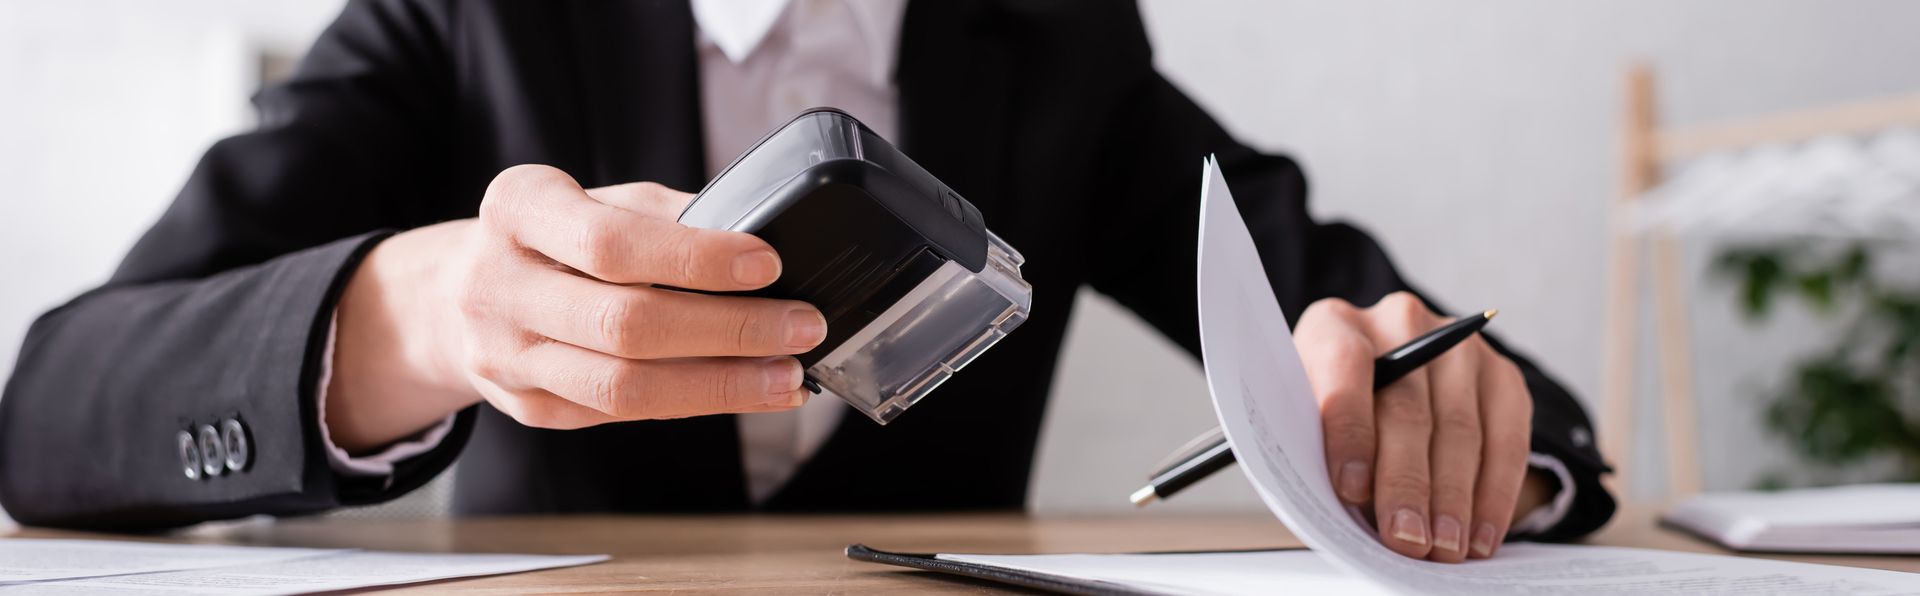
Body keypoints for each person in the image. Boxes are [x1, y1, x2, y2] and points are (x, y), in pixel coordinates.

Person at [0, 0, 1614, 562]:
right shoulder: (464, 15)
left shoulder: (1060, 42)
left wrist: (1453, 419)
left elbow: (1372, 319)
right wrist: (419, 313)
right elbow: (54, 411)